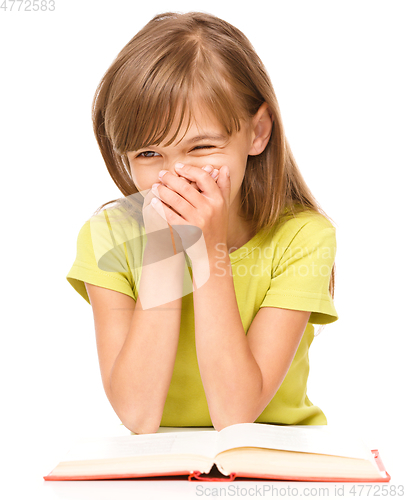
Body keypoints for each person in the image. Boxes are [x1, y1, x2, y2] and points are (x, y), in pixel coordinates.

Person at [66, 11, 338, 435]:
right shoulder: (109, 236)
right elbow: (137, 415)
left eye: (202, 147)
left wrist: (207, 251)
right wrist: (164, 250)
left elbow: (235, 415)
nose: (174, 176)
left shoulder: (303, 238)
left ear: (257, 132)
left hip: (279, 459)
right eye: (148, 154)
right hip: (163, 471)